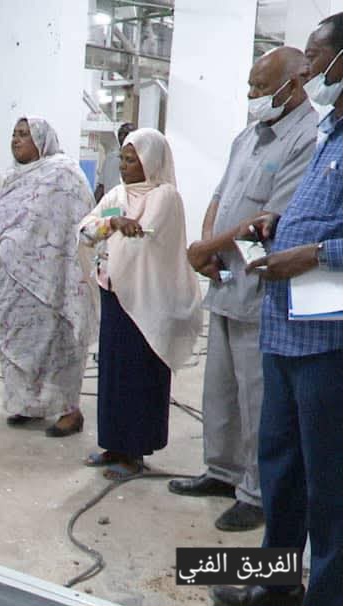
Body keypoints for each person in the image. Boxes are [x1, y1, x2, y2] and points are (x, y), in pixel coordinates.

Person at [210, 14, 343, 606]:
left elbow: (329, 241)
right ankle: (275, 582)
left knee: (328, 480)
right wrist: (278, 223)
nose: (309, 68)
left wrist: (313, 253)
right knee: (281, 467)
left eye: (316, 56)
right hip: (285, 329)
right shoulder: (330, 135)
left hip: (329, 342)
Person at [171, 47, 317, 534]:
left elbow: (269, 220)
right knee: (219, 389)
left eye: (261, 87)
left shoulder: (308, 139)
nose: (253, 95)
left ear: (294, 83)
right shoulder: (248, 135)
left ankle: (256, 492)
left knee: (257, 398)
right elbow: (220, 196)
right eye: (251, 86)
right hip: (224, 278)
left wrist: (205, 248)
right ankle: (222, 470)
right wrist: (205, 245)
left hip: (260, 288)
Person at [77, 128, 202, 480]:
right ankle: (113, 445)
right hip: (115, 296)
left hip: (148, 301)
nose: (124, 165)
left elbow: (139, 241)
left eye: (132, 160)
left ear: (151, 161)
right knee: (113, 373)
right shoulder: (118, 195)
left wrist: (110, 229)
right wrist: (112, 223)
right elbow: (86, 230)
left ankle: (134, 452)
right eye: (122, 158)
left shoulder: (164, 196)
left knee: (139, 375)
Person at [0, 117, 98, 437]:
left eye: (24, 134)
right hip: (14, 277)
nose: (16, 139)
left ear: (42, 139)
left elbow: (80, 218)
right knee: (18, 342)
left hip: (54, 277)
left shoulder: (64, 173)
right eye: (14, 134)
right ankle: (28, 403)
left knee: (57, 343)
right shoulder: (12, 177)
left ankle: (69, 410)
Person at [94, 122, 135, 202]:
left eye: (126, 134)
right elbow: (101, 186)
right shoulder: (110, 158)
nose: (122, 137)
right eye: (120, 134)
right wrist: (92, 205)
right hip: (109, 205)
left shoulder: (139, 161)